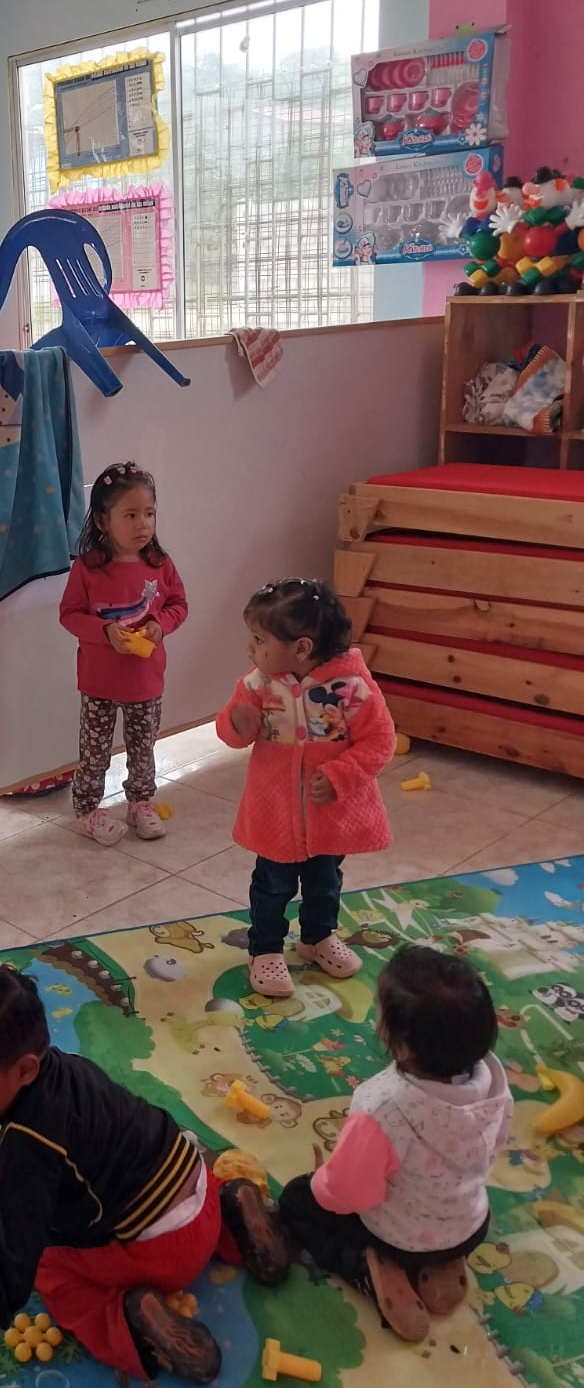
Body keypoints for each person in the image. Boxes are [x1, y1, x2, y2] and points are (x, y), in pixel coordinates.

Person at [0, 965, 289, 1388]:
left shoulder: (25, 1147)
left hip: (163, 1257)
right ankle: (233, 1212)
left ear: (25, 1070)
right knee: (165, 1182)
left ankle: (130, 1322)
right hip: (200, 1187)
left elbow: (15, 1252)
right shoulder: (72, 1065)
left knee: (48, 1267)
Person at [279, 945, 513, 1342]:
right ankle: (443, 1262)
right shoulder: (494, 1082)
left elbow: (351, 1193)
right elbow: (496, 1146)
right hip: (471, 1226)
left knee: (297, 1200)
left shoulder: (382, 1105)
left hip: (398, 1237)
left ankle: (368, 1268)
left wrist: (322, 1183)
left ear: (401, 1044)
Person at [216, 578, 394, 999]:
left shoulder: (352, 687)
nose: (250, 648)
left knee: (325, 882)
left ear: (301, 648)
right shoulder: (257, 684)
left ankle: (317, 937)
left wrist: (340, 776)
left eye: (260, 640)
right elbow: (233, 732)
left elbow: (380, 741)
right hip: (275, 813)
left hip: (328, 815)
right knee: (272, 886)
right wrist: (236, 723)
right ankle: (265, 949)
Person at [58, 462, 188, 847]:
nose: (142, 524)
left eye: (149, 513)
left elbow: (179, 605)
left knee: (143, 748)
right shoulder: (87, 569)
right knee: (94, 752)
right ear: (103, 520)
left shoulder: (160, 565)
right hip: (98, 683)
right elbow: (69, 614)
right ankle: (88, 809)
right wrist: (104, 631)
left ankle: (140, 802)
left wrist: (160, 624)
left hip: (145, 682)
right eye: (130, 515)